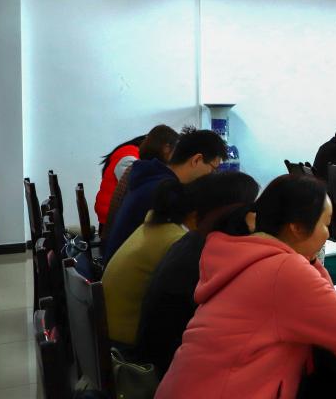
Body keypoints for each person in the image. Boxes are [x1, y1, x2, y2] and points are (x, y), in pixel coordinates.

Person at [155, 175, 336, 399]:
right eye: (326, 225)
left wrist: (307, 260)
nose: (328, 233)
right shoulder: (284, 270)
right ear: (297, 228)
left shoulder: (242, 252)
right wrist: (309, 262)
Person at [136, 172, 260, 375]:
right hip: (172, 370)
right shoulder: (209, 257)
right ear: (234, 212)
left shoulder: (194, 241)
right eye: (253, 208)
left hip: (160, 362)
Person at [103, 174, 215, 347]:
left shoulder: (153, 226)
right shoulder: (176, 240)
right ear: (195, 215)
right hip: (126, 342)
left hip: (109, 329)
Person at [105, 129, 227, 262]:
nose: (212, 176)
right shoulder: (163, 192)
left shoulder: (152, 177)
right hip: (133, 271)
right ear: (196, 160)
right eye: (213, 169)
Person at [102, 126, 180, 242]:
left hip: (113, 226)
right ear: (166, 148)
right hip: (109, 226)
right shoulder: (136, 166)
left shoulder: (140, 166)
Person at [95, 134, 147, 232]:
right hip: (112, 223)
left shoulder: (126, 151)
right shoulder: (128, 158)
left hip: (111, 217)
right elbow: (138, 190)